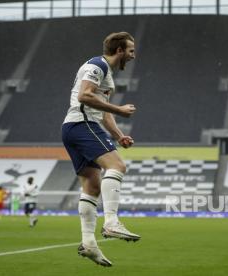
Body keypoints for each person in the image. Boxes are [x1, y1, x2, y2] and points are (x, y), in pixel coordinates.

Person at [61, 31, 140, 267]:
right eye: (131, 51)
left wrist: (119, 135)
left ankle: (89, 244)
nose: (133, 56)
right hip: (81, 124)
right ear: (119, 51)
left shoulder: (105, 73)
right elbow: (85, 96)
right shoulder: (97, 65)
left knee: (92, 185)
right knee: (117, 166)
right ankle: (111, 222)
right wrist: (120, 109)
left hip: (73, 127)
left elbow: (103, 112)